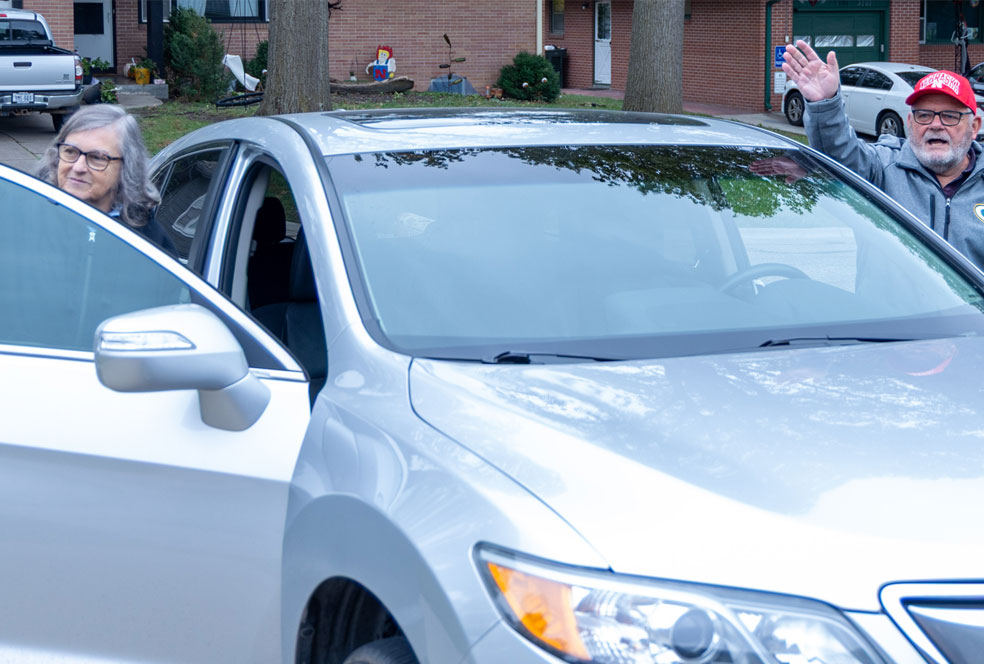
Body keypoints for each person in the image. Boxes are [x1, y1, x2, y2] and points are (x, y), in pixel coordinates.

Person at [782, 40, 984, 270]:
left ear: (974, 126)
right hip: (893, 307)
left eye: (949, 116)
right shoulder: (884, 167)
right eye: (924, 115)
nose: (935, 125)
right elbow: (839, 158)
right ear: (910, 123)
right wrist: (825, 104)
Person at [36, 104, 175, 254]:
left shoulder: (148, 245)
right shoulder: (30, 218)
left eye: (97, 157)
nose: (78, 167)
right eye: (70, 151)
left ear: (126, 167)